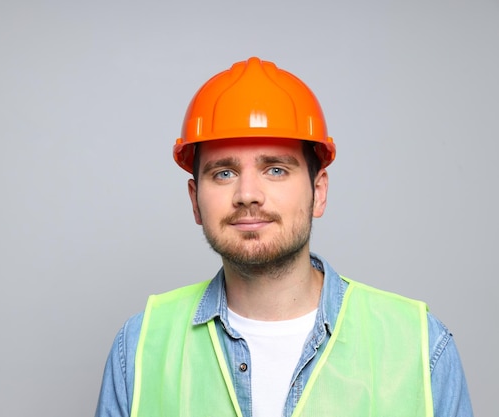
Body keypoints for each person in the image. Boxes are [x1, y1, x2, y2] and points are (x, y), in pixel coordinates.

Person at [94, 57, 473, 417]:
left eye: (275, 169)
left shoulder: (419, 346)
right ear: (195, 200)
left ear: (318, 192)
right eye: (223, 173)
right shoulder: (140, 347)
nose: (247, 193)